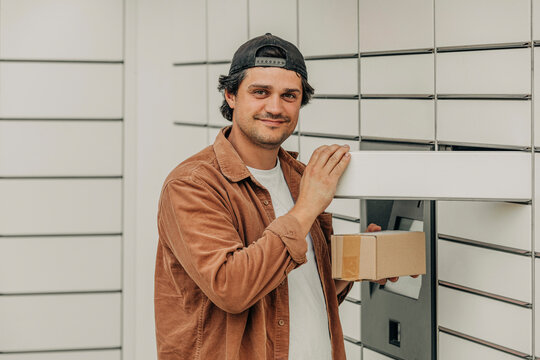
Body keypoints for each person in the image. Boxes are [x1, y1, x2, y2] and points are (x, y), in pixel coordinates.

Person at [154, 33, 396, 360]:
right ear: (231, 95)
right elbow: (232, 287)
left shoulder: (299, 178)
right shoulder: (193, 184)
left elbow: (296, 289)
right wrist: (308, 206)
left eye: (289, 95)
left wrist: (355, 267)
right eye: (260, 92)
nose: (275, 107)